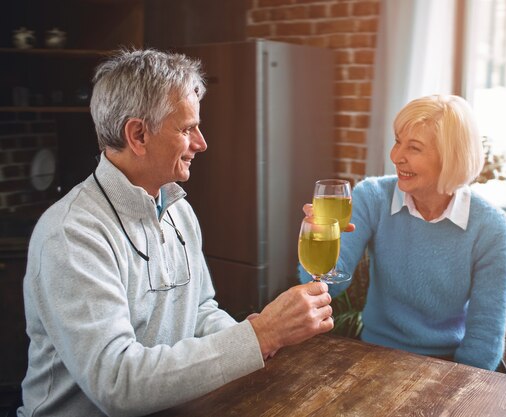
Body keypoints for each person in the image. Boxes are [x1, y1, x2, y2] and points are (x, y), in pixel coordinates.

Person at [18, 49, 333, 417]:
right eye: (186, 129)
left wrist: (258, 340)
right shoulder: (72, 234)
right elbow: (118, 384)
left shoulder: (177, 209)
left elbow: (199, 313)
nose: (201, 143)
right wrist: (260, 334)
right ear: (138, 134)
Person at [299, 95, 506, 371]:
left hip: (448, 366)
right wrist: (318, 237)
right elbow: (329, 284)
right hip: (375, 355)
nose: (395, 156)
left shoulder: (492, 228)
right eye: (397, 141)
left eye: (413, 148)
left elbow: (484, 340)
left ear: (451, 158)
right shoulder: (373, 197)